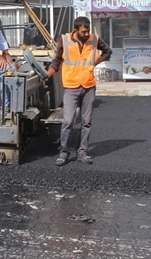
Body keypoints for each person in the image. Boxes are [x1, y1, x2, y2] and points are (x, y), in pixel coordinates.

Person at [45, 16, 112, 166]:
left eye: (88, 30)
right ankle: (64, 153)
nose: (87, 33)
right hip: (71, 86)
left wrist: (95, 62)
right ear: (76, 30)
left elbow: (108, 51)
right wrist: (47, 74)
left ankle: (83, 152)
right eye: (83, 31)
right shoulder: (65, 40)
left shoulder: (94, 39)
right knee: (68, 121)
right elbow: (56, 60)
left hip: (88, 85)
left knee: (86, 122)